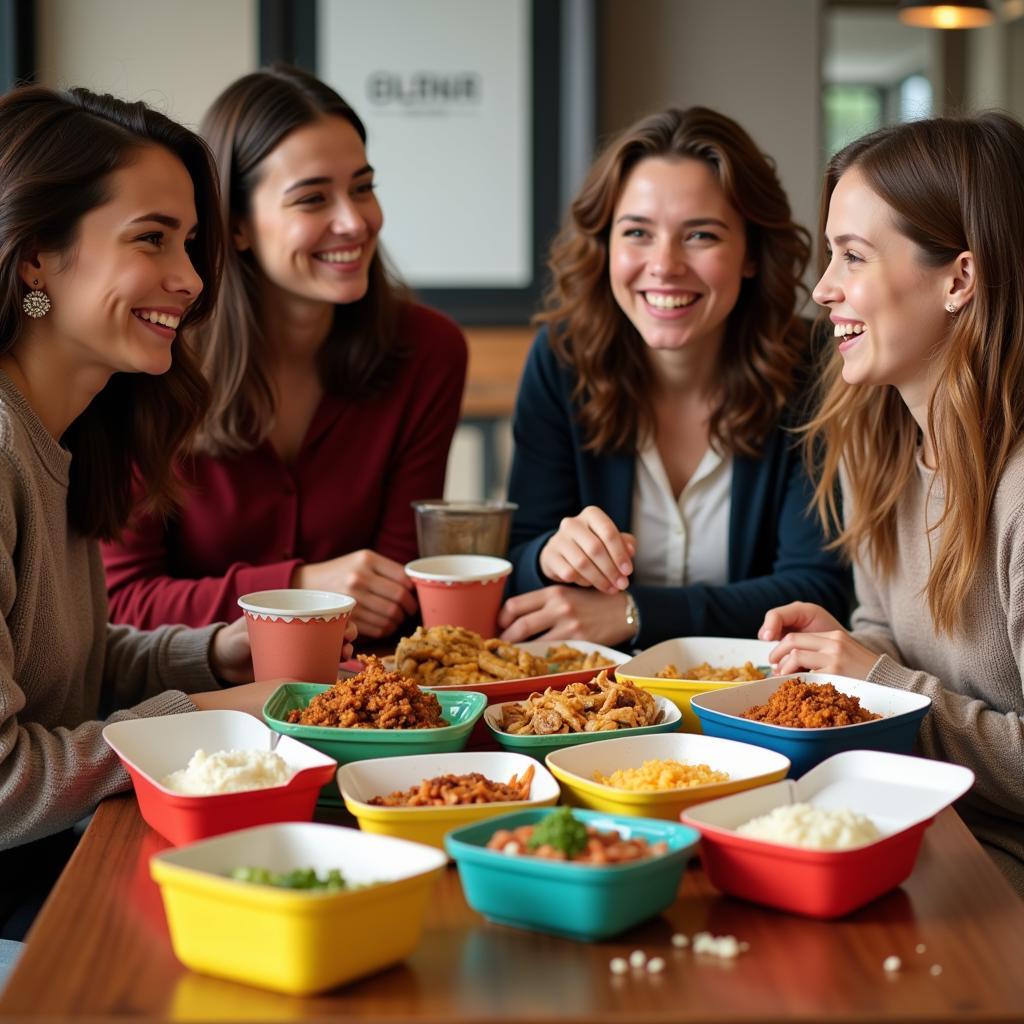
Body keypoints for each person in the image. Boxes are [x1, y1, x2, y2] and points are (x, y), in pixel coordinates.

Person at [0, 84, 355, 934]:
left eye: (191, 242)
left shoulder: (62, 438)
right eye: (151, 239)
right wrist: (206, 719)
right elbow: (7, 786)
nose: (192, 280)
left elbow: (65, 665)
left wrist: (217, 656)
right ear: (34, 258)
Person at [102, 65, 468, 640]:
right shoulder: (147, 356)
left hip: (362, 700)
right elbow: (122, 601)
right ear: (238, 225)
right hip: (192, 705)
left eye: (363, 188)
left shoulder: (428, 350)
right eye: (313, 198)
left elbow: (391, 596)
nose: (354, 222)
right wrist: (299, 588)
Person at [759, 112, 1024, 896]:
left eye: (852, 256)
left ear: (959, 279)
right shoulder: (880, 448)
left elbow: (897, 680)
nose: (822, 288)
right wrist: (844, 651)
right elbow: (887, 630)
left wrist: (877, 683)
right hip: (913, 829)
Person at [499, 107, 851, 648]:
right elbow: (516, 565)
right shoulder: (562, 357)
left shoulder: (815, 364)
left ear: (751, 253)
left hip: (756, 701)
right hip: (594, 703)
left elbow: (819, 586)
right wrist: (548, 554)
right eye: (637, 232)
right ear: (606, 247)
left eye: (700, 236)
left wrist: (635, 612)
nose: (664, 265)